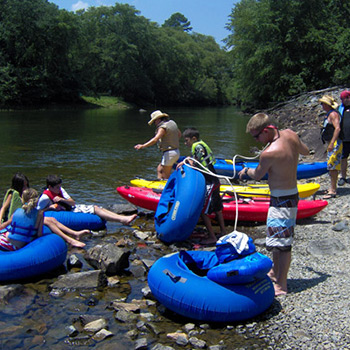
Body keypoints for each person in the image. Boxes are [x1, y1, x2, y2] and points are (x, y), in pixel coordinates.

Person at [238, 113, 309, 296]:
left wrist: (246, 171)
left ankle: (282, 285)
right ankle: (274, 273)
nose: (257, 140)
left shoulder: (268, 153)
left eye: (257, 136)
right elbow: (306, 151)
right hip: (290, 194)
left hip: (282, 200)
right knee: (277, 239)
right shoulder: (291, 134)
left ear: (268, 130)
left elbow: (258, 175)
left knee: (283, 244)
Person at [177, 127, 226, 245]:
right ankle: (223, 232)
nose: (185, 143)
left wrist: (184, 162)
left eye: (187, 140)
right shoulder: (202, 144)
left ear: (193, 139)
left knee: (203, 210)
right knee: (218, 208)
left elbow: (195, 162)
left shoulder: (196, 146)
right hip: (215, 180)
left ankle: (212, 237)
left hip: (209, 182)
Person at [0, 188, 88, 250]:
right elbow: (39, 235)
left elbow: (5, 225)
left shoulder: (17, 211)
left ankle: (73, 236)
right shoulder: (39, 214)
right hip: (19, 245)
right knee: (49, 220)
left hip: (7, 243)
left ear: (22, 200)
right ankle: (72, 238)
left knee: (7, 233)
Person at [37, 175, 137, 225]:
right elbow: (37, 212)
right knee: (95, 209)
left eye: (60, 186)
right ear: (49, 187)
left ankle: (121, 218)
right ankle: (123, 219)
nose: (59, 189)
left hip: (71, 208)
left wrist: (62, 199)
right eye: (56, 187)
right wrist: (49, 208)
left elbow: (72, 202)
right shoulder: (45, 197)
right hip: (66, 213)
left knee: (97, 207)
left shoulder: (61, 190)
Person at [134, 110, 181, 180]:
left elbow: (155, 139)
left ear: (158, 119)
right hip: (176, 152)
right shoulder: (172, 123)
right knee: (159, 169)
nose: (155, 123)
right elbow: (179, 134)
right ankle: (159, 182)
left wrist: (143, 146)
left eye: (154, 121)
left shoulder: (163, 128)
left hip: (169, 153)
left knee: (165, 176)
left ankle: (165, 188)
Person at [319, 95, 342, 198]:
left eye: (323, 104)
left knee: (332, 166)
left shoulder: (333, 114)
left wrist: (332, 142)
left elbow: (337, 128)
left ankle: (333, 190)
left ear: (327, 105)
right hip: (331, 142)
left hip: (335, 143)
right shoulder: (329, 114)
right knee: (330, 165)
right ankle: (332, 187)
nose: (322, 105)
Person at [338, 90, 350, 186]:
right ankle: (343, 177)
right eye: (341, 99)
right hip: (344, 138)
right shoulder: (340, 109)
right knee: (343, 158)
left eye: (344, 99)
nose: (343, 101)